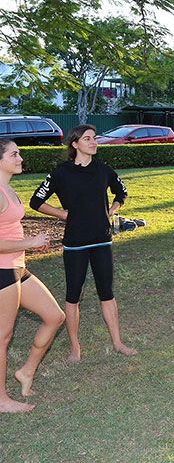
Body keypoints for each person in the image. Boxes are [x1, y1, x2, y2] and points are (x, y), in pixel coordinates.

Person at [30, 125, 136, 362]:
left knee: (106, 293)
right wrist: (63, 214)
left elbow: (122, 192)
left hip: (101, 240)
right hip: (75, 243)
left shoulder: (104, 170)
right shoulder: (61, 173)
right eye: (87, 139)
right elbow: (36, 201)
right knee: (73, 296)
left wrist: (112, 209)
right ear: (75, 144)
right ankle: (75, 348)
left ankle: (117, 342)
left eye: (95, 138)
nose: (93, 142)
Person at [0, 140, 65, 413]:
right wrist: (29, 243)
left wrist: (28, 242)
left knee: (55, 316)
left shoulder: (8, 189)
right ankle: (1, 400)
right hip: (2, 270)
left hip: (17, 265)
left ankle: (26, 371)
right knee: (3, 337)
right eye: (14, 154)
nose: (20, 158)